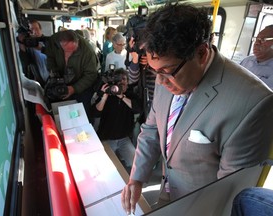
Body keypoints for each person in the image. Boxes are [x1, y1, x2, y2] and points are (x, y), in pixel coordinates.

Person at [121, 3, 273, 215]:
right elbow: (151, 131)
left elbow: (229, 193)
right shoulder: (166, 72)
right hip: (168, 194)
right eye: (155, 71)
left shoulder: (252, 104)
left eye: (166, 71)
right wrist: (136, 178)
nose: (160, 81)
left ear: (201, 53)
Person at [92, 68, 142, 173]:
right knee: (105, 169)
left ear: (128, 82)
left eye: (124, 79)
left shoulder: (130, 95)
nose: (122, 82)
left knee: (136, 165)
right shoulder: (108, 95)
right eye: (119, 80)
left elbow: (138, 109)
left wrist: (122, 96)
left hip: (124, 138)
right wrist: (104, 97)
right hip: (107, 138)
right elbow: (95, 113)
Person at [45, 30, 98, 119]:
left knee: (83, 113)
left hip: (81, 84)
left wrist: (74, 88)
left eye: (73, 50)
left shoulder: (87, 51)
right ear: (60, 44)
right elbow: (49, 58)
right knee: (60, 112)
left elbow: (91, 75)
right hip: (61, 80)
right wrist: (54, 74)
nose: (68, 54)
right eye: (66, 50)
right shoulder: (53, 41)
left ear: (77, 42)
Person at [17, 19, 49, 87]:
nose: (34, 32)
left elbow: (55, 54)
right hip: (40, 82)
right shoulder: (28, 47)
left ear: (40, 30)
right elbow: (25, 63)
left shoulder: (49, 41)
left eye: (37, 29)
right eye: (32, 30)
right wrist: (22, 43)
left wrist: (41, 48)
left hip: (54, 79)